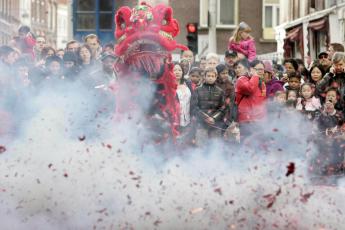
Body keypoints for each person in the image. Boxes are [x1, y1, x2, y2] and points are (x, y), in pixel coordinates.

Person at [234, 59, 266, 139]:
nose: (260, 71)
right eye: (257, 69)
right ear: (250, 69)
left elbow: (263, 102)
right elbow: (250, 89)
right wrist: (255, 76)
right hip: (246, 120)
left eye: (262, 69)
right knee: (246, 146)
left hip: (258, 120)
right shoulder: (242, 80)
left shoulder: (262, 83)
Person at [193, 67, 225, 146]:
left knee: (215, 149)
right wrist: (205, 117)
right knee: (200, 148)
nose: (210, 78)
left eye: (212, 76)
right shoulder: (197, 90)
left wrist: (213, 118)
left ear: (216, 77)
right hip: (201, 124)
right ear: (204, 76)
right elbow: (194, 107)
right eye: (208, 76)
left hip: (215, 125)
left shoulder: (220, 91)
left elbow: (223, 108)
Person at [174, 63, 193, 142]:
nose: (177, 72)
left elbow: (193, 100)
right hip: (175, 120)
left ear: (182, 72)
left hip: (188, 120)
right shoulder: (168, 85)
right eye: (174, 70)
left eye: (179, 70)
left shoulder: (188, 83)